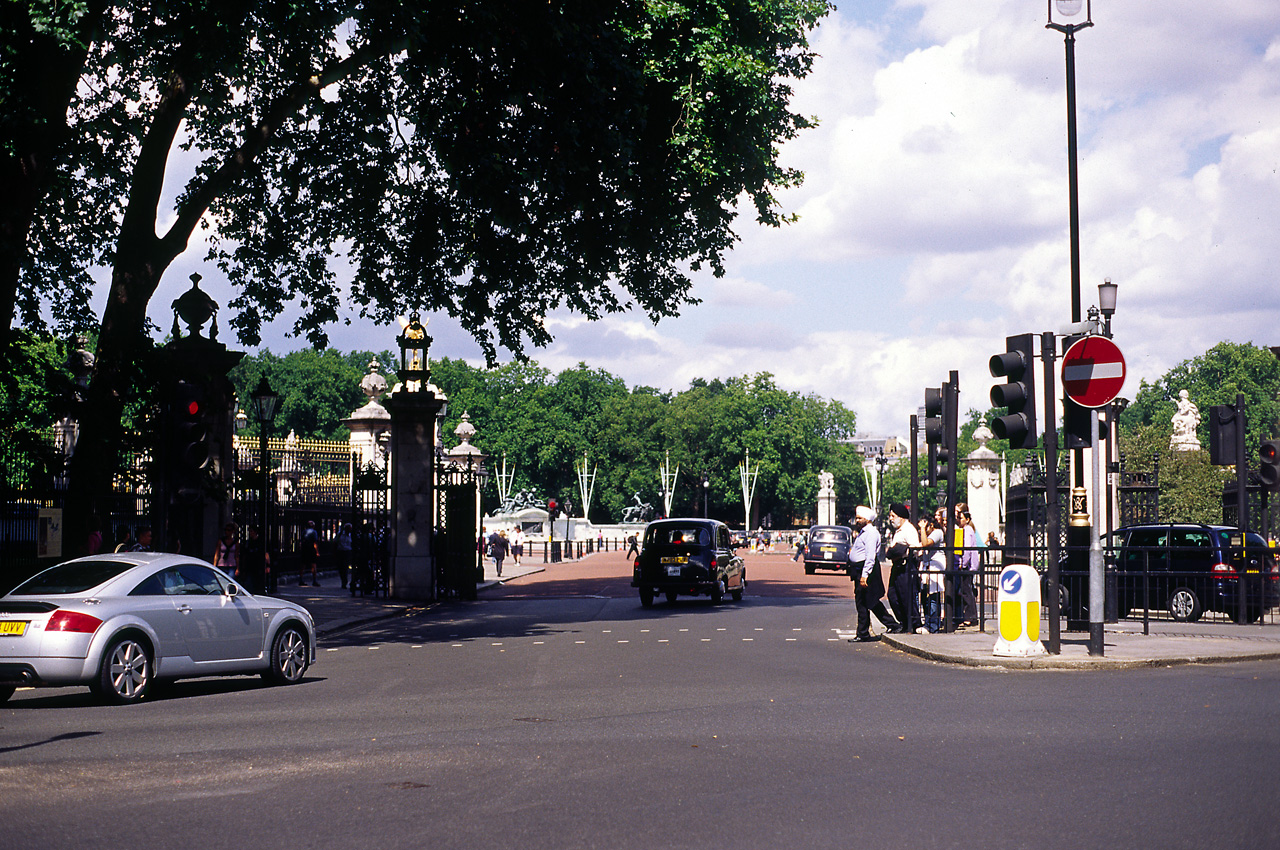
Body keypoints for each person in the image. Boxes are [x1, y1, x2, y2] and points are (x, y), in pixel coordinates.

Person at [850, 506, 901, 641]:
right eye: (857, 518)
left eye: (860, 518)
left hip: (866, 570)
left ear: (867, 519)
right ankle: (865, 632)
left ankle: (865, 633)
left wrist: (865, 575)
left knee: (867, 601)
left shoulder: (871, 533)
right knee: (866, 601)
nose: (857, 520)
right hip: (859, 569)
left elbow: (870, 556)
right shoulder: (863, 532)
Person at [884, 503, 923, 634]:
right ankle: (904, 622)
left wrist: (900, 551)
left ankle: (913, 623)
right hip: (897, 566)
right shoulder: (899, 531)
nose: (890, 518)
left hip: (906, 566)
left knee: (906, 596)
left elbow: (915, 548)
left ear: (901, 517)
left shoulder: (909, 530)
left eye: (893, 516)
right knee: (893, 595)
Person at [918, 515, 946, 633]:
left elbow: (925, 543)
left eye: (924, 526)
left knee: (933, 596)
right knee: (925, 595)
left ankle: (933, 625)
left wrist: (923, 529)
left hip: (936, 566)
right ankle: (928, 622)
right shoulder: (928, 533)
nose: (921, 530)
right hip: (927, 566)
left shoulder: (937, 532)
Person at [955, 506, 979, 627]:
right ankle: (970, 615)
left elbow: (967, 548)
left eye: (961, 518)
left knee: (966, 591)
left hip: (967, 566)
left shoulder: (967, 529)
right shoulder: (965, 529)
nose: (958, 520)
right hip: (968, 565)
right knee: (965, 590)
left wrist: (962, 563)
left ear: (967, 519)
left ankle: (971, 617)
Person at [241, 525, 270, 594]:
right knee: (249, 584)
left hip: (258, 566)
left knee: (258, 583)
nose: (250, 533)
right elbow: (245, 555)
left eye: (252, 531)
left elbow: (266, 554)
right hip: (249, 566)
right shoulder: (247, 543)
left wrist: (268, 565)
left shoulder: (261, 542)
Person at [300, 520, 320, 587]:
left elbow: (301, 541)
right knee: (313, 565)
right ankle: (314, 580)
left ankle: (301, 579)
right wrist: (317, 552)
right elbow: (315, 542)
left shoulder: (304, 532)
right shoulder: (314, 532)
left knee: (303, 565)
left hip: (304, 549)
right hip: (311, 549)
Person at [335, 523, 353, 589]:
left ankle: (344, 581)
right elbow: (335, 542)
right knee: (341, 567)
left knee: (345, 567)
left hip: (347, 552)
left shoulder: (351, 535)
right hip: (341, 551)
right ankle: (344, 580)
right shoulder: (340, 534)